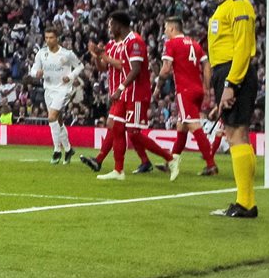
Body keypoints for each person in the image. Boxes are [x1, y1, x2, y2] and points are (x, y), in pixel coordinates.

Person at [84, 11, 180, 180]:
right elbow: (104, 67)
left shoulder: (135, 41)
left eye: (111, 25)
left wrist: (120, 87)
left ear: (118, 26)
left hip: (136, 93)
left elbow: (134, 69)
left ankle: (170, 159)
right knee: (117, 128)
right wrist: (98, 56)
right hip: (124, 93)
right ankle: (118, 170)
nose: (109, 28)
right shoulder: (116, 43)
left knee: (134, 133)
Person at [204, 0, 259, 218]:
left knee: (237, 134)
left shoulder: (239, 5)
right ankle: (246, 200)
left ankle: (246, 203)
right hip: (225, 74)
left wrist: (231, 84)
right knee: (237, 134)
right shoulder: (222, 8)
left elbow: (242, 48)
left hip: (234, 73)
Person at [157, 15, 218, 176]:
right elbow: (206, 65)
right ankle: (171, 161)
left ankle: (211, 164)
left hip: (184, 91)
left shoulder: (171, 44)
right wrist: (205, 87)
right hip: (197, 89)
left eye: (165, 28)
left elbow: (165, 69)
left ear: (172, 28)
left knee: (193, 125)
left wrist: (157, 85)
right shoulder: (195, 44)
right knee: (181, 127)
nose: (164, 32)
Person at [25, 26, 82, 165]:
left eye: (51, 38)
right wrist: (35, 73)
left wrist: (70, 76)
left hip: (63, 89)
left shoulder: (67, 54)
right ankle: (68, 149)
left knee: (51, 117)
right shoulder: (41, 53)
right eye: (46, 38)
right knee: (58, 120)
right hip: (49, 89)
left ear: (57, 38)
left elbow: (80, 66)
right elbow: (33, 69)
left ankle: (57, 150)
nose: (48, 41)